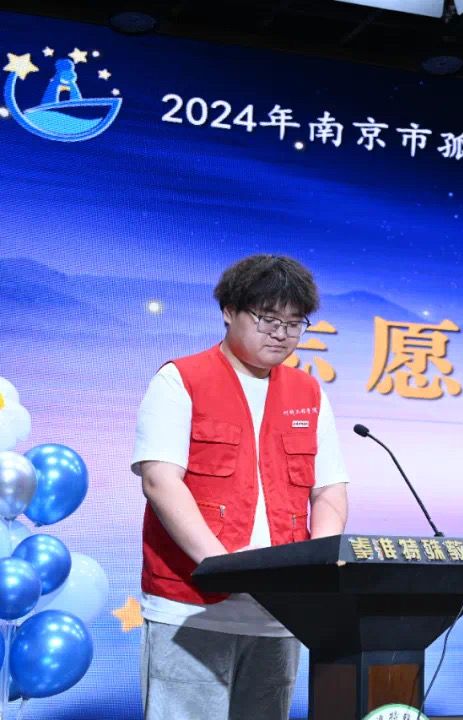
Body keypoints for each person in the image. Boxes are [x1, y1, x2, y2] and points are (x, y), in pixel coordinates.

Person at [131, 254, 350, 720]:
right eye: (268, 319)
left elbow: (329, 489)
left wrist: (318, 566)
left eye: (294, 323)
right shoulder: (181, 379)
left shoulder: (308, 393)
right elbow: (160, 480)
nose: (281, 334)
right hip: (191, 608)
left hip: (280, 613)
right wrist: (223, 568)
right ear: (229, 311)